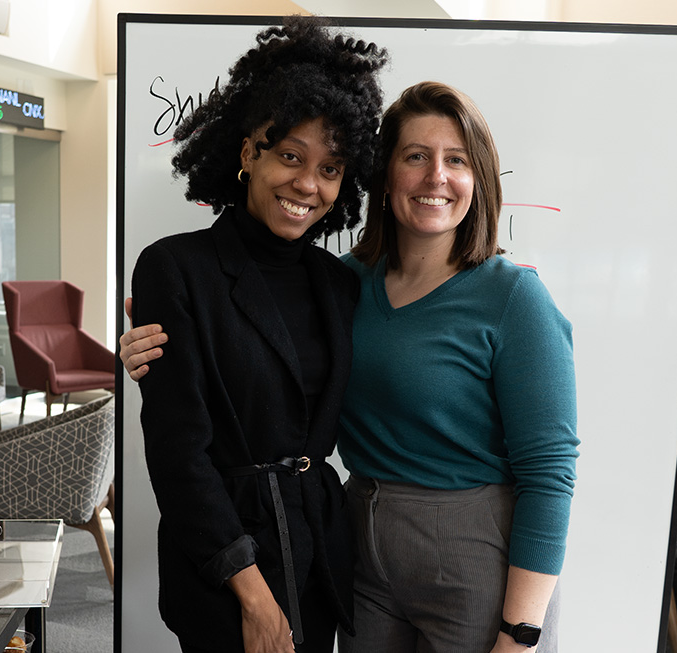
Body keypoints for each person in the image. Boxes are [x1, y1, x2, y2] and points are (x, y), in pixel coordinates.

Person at [121, 81, 579, 653]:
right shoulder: (350, 281)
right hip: (358, 548)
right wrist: (150, 356)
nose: (436, 176)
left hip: (461, 552)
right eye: (416, 156)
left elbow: (551, 472)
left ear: (478, 178)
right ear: (386, 177)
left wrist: (522, 634)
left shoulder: (509, 296)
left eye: (456, 160)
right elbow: (218, 399)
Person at [127, 16, 388, 653]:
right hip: (225, 557)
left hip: (319, 544)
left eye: (330, 169)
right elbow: (178, 453)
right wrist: (254, 595)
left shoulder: (341, 284)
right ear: (249, 154)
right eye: (290, 157)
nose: (308, 184)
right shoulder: (174, 268)